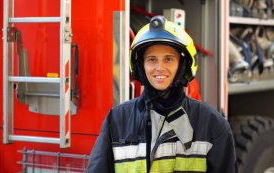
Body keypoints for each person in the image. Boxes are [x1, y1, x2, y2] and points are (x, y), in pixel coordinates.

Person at [86, 16, 236, 173]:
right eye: (151, 59)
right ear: (140, 66)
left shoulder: (211, 123)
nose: (159, 67)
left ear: (182, 66)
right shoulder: (117, 120)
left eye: (168, 59)